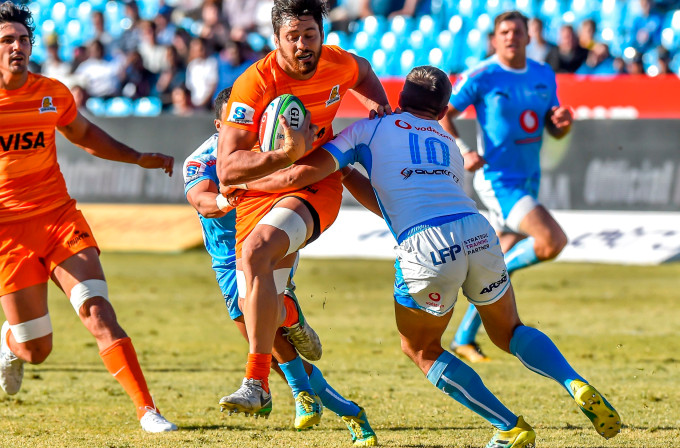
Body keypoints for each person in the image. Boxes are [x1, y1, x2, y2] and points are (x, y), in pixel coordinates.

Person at [241, 64, 622, 447]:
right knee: (510, 331)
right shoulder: (445, 141)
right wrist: (343, 173)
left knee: (421, 349)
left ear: (400, 98)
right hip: (477, 231)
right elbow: (395, 200)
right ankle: (575, 383)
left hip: (427, 244)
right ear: (442, 111)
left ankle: (509, 425)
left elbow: (297, 177)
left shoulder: (368, 129)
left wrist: (242, 180)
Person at [0, 2, 177, 433]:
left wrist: (137, 157)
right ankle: (11, 342)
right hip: (9, 235)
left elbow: (84, 134)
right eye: (7, 41)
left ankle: (147, 410)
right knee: (36, 350)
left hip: (60, 220)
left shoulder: (51, 92)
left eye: (23, 40)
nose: (17, 47)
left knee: (98, 312)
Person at [215, 0, 391, 428]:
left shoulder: (339, 64)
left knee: (257, 253)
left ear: (323, 34)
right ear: (276, 40)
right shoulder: (254, 83)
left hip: (316, 183)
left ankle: (256, 385)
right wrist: (281, 154)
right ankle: (292, 316)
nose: (302, 45)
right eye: (292, 37)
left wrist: (381, 108)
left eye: (309, 35)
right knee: (255, 305)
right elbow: (227, 169)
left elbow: (365, 72)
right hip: (262, 191)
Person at [183, 88, 377, 445]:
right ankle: (342, 405)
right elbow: (203, 201)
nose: (245, 127)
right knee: (267, 343)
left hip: (266, 249)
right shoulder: (203, 158)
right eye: (234, 123)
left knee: (262, 330)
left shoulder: (274, 143)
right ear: (218, 125)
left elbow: (331, 173)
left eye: (250, 119)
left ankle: (294, 390)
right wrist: (229, 196)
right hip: (229, 260)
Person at [439, 11, 572, 363]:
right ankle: (488, 277)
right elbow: (444, 112)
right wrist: (464, 150)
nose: (511, 36)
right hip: (498, 181)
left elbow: (553, 127)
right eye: (504, 32)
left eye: (518, 31)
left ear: (530, 37)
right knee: (550, 241)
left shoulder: (543, 74)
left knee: (502, 252)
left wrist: (562, 124)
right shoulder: (484, 74)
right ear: (495, 39)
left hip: (529, 178)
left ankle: (464, 337)